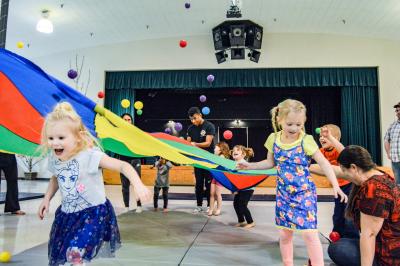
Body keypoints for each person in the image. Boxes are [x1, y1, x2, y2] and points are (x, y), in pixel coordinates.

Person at [37, 102, 151, 266]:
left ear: (78, 137)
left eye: (61, 138)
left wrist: (138, 184)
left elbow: (123, 166)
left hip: (93, 214)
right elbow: (56, 177)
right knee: (60, 257)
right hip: (67, 216)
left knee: (75, 252)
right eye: (51, 138)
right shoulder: (55, 158)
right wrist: (46, 198)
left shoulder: (90, 156)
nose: (55, 143)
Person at [237, 99, 347, 266]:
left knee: (310, 234)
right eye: (289, 124)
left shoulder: (306, 140)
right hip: (284, 194)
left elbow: (325, 163)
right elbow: (269, 163)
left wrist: (336, 185)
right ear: (279, 120)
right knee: (285, 235)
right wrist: (249, 165)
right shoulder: (273, 139)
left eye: (298, 124)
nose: (294, 128)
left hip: (304, 194)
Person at [328, 145, 400, 266]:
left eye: (345, 171)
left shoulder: (374, 190)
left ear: (353, 167)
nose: (344, 175)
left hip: (389, 256)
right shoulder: (378, 174)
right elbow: (333, 170)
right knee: (344, 239)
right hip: (389, 242)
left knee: (337, 248)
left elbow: (370, 234)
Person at [309, 124, 358, 239]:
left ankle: (353, 237)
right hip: (338, 188)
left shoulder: (337, 150)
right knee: (337, 214)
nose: (321, 138)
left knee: (349, 213)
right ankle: (337, 234)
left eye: (325, 136)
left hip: (349, 186)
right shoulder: (321, 151)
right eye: (320, 136)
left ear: (334, 138)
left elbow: (344, 151)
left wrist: (331, 138)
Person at [186, 106, 216, 214]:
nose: (193, 121)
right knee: (198, 183)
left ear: (200, 115)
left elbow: (208, 143)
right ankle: (199, 205)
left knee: (208, 183)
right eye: (191, 119)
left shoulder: (209, 126)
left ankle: (209, 205)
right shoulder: (190, 129)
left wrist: (195, 144)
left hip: (208, 160)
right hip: (197, 160)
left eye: (195, 118)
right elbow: (188, 144)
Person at [117, 113, 143, 213]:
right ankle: (126, 207)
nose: (127, 121)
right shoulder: (118, 133)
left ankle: (139, 206)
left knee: (137, 184)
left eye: (129, 120)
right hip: (123, 161)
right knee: (125, 185)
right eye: (125, 119)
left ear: (131, 121)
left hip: (135, 160)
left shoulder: (135, 132)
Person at [232, 145, 256, 229]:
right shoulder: (234, 163)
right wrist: (235, 189)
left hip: (248, 188)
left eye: (237, 150)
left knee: (242, 204)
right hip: (240, 187)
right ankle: (241, 220)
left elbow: (246, 176)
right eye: (234, 150)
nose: (235, 151)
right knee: (236, 203)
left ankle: (251, 222)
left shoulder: (244, 163)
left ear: (243, 155)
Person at [208, 141, 230, 216]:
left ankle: (218, 209)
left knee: (217, 194)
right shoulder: (217, 157)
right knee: (212, 193)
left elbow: (219, 165)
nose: (214, 149)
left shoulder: (222, 157)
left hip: (220, 178)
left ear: (220, 149)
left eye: (215, 148)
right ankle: (211, 208)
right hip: (215, 177)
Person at [384, 102, 400, 184]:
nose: (398, 112)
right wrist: (388, 153)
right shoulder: (392, 126)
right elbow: (386, 139)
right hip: (395, 160)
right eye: (397, 110)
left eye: (399, 110)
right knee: (397, 184)